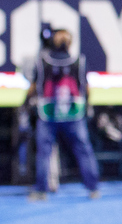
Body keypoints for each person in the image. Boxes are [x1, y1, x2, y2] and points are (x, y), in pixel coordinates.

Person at [24, 25, 101, 200]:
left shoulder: (44, 61)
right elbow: (86, 89)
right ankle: (93, 188)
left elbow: (34, 87)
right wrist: (88, 106)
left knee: (46, 152)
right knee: (82, 149)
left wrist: (26, 104)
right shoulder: (76, 61)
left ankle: (42, 190)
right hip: (70, 113)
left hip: (51, 113)